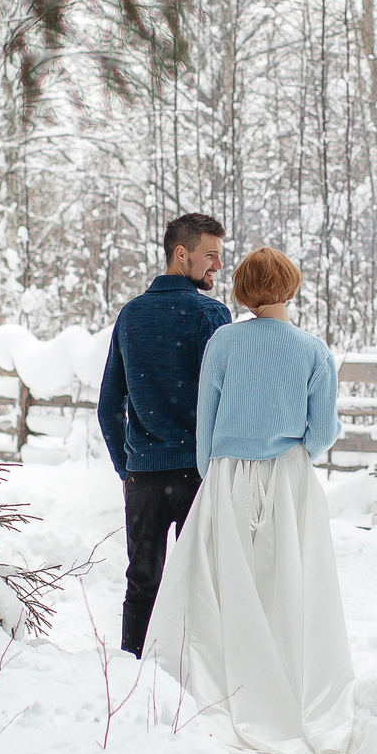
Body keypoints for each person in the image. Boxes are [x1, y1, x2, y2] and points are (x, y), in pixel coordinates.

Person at [143, 247, 360, 754]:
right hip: (288, 480)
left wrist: (214, 472)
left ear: (241, 290)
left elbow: (206, 417)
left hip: (227, 477)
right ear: (291, 286)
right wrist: (287, 450)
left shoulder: (224, 342)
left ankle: (231, 690)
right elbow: (323, 433)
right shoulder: (313, 351)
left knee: (224, 589)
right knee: (289, 586)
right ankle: (290, 689)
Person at [97, 213, 230, 656]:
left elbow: (108, 405)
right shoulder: (210, 314)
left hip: (145, 479)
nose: (217, 265)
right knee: (203, 586)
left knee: (142, 585)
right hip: (197, 476)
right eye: (210, 255)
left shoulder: (131, 315)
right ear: (181, 253)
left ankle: (132, 672)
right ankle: (195, 675)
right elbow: (223, 400)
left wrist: (128, 465)